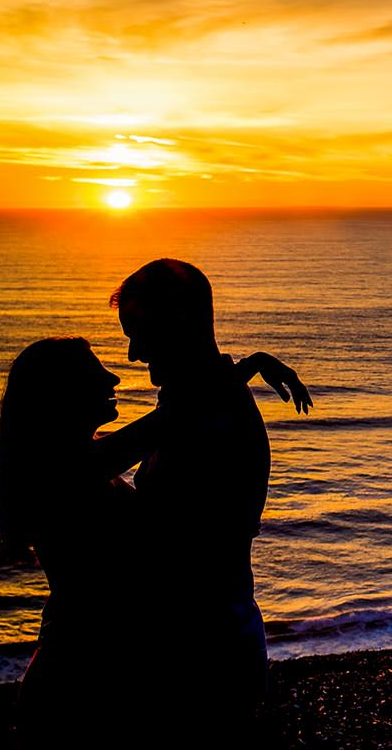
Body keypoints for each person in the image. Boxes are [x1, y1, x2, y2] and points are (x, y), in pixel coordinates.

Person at [0, 336, 308, 748]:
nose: (114, 375)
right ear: (61, 394)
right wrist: (250, 365)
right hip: (76, 678)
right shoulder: (66, 470)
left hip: (91, 672)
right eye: (93, 371)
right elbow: (174, 418)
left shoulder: (78, 462)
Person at [109, 258, 295, 740]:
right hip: (203, 641)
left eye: (138, 332)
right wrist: (243, 369)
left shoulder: (207, 413)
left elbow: (100, 465)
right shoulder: (201, 403)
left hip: (203, 653)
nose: (132, 354)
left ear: (178, 321)